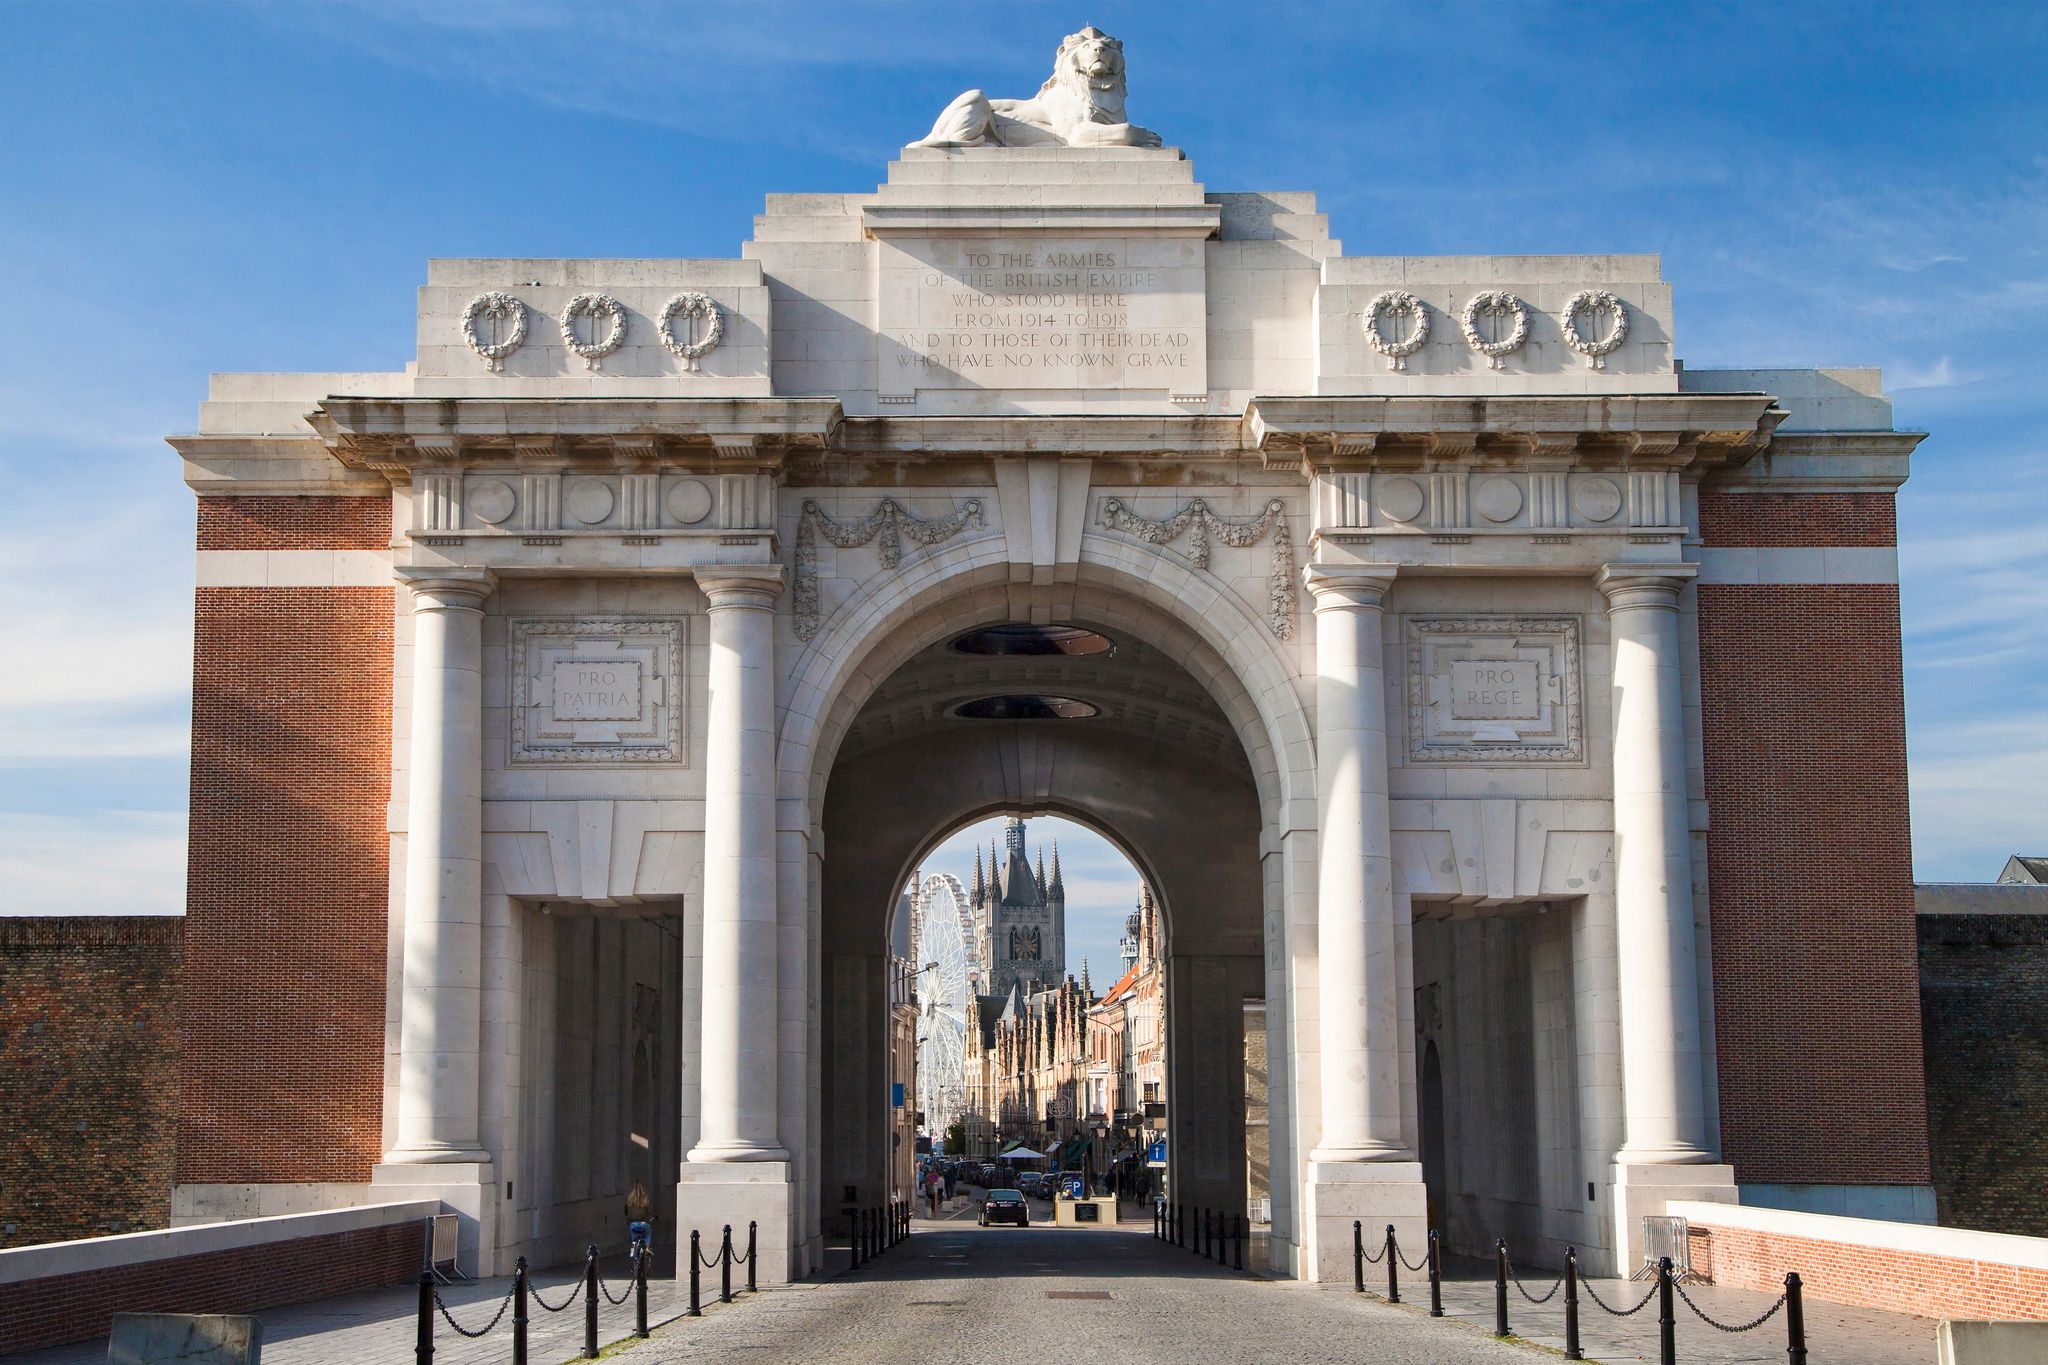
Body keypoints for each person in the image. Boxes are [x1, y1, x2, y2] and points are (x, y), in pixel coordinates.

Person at [624, 1181, 654, 1258]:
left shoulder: (629, 1200)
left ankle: (633, 1252)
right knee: (647, 1234)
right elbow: (649, 1211)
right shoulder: (645, 1200)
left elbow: (626, 1211)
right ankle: (646, 1247)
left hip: (633, 1224)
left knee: (634, 1240)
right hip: (644, 1224)